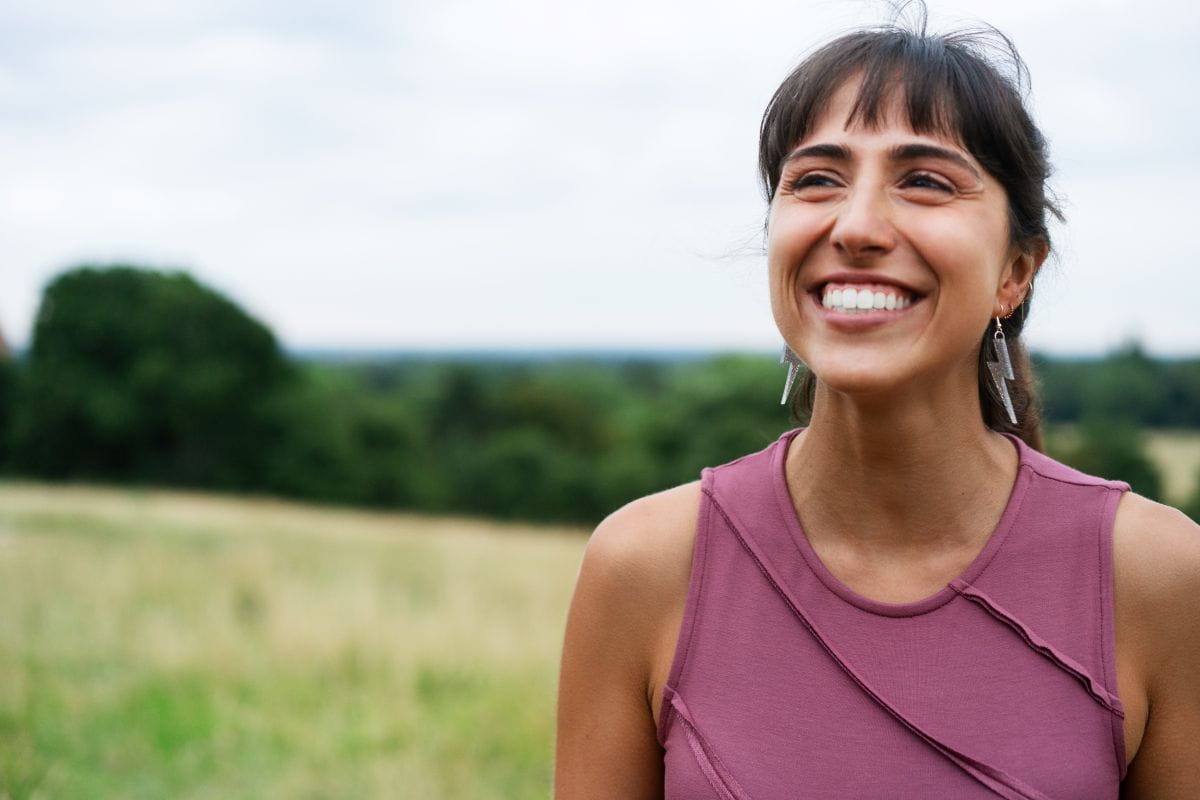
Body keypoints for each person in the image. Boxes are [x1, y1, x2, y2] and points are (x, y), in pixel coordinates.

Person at [554, 10, 1200, 800]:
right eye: (817, 178)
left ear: (1016, 271)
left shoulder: (1163, 581)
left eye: (925, 180)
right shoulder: (643, 568)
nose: (856, 226)